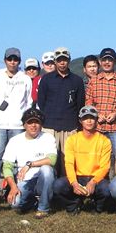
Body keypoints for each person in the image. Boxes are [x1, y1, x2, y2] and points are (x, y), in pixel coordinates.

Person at [53, 106, 112, 215]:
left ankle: (97, 205)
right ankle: (74, 203)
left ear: (97, 120)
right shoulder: (72, 139)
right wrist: (74, 183)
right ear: (80, 121)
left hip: (95, 178)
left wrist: (93, 182)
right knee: (58, 185)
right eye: (85, 118)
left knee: (107, 189)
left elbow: (105, 167)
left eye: (92, 118)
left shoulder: (104, 141)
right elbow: (69, 163)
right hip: (78, 177)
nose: (89, 121)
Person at [37, 47, 85, 176]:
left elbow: (80, 103)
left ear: (69, 60)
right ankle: (49, 185)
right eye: (59, 60)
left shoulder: (77, 80)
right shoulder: (46, 79)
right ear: (55, 61)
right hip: (49, 126)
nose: (62, 63)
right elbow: (41, 102)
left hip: (70, 127)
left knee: (68, 161)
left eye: (64, 60)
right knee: (49, 160)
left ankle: (67, 185)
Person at [0, 48, 33, 186]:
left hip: (18, 125)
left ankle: (14, 187)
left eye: (15, 59)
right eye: (10, 59)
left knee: (16, 157)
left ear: (19, 61)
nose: (12, 62)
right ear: (5, 60)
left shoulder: (25, 79)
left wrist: (23, 120)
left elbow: (28, 102)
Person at [2, 108, 57, 219]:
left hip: (42, 180)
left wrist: (30, 164)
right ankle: (33, 202)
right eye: (30, 122)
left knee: (47, 169)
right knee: (15, 204)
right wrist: (13, 186)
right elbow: (7, 166)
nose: (33, 125)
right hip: (25, 181)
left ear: (41, 125)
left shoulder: (48, 137)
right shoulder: (15, 140)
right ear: (24, 125)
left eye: (37, 122)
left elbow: (52, 160)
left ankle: (43, 208)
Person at [85, 47, 116, 177]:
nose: (107, 62)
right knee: (97, 159)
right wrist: (96, 114)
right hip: (98, 127)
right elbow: (88, 102)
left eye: (110, 60)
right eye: (104, 60)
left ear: (115, 62)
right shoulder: (93, 81)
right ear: (100, 62)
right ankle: (99, 185)